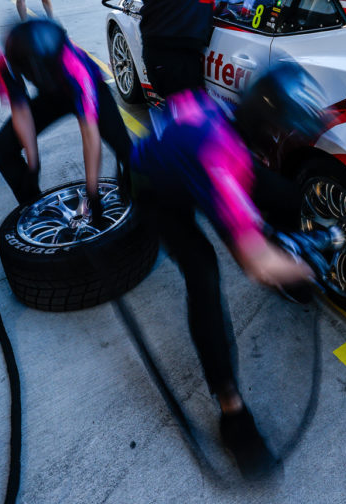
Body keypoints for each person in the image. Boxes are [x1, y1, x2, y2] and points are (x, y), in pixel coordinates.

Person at [126, 65, 322, 478]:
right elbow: (250, 265)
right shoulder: (222, 157)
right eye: (282, 132)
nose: (284, 141)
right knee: (203, 273)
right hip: (153, 188)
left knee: (284, 196)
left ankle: (283, 254)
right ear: (265, 126)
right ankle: (231, 412)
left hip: (187, 161)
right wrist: (297, 266)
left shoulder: (228, 120)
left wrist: (277, 242)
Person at [0, 19, 130, 219]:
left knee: (127, 151)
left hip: (89, 89)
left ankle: (136, 202)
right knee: (1, 150)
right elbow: (21, 111)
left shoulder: (76, 66)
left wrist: (92, 191)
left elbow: (90, 134)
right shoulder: (6, 58)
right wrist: (33, 165)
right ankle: (36, 208)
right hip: (51, 95)